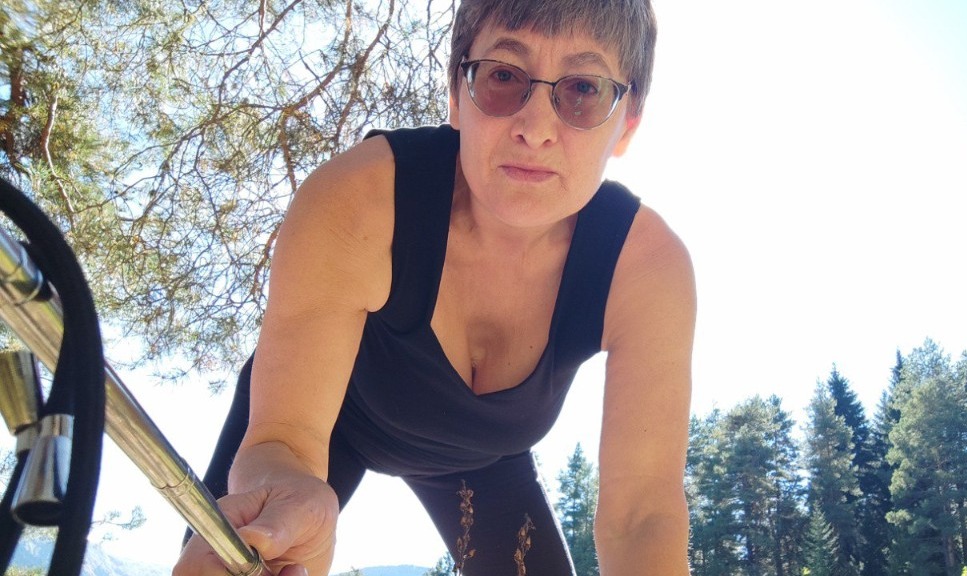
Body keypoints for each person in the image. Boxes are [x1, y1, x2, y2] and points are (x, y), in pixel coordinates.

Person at [174, 0, 694, 574]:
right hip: (316, 424)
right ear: (455, 94)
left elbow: (642, 514)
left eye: (582, 90)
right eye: (503, 77)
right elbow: (284, 439)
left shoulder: (646, 270)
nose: (535, 129)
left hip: (485, 461)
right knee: (237, 557)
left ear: (627, 123)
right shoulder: (359, 200)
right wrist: (284, 505)